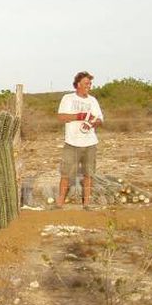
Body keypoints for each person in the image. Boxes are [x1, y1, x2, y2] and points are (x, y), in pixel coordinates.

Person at [55, 71, 104, 209]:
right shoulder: (68, 98)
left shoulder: (93, 100)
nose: (89, 85)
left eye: (90, 83)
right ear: (78, 85)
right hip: (72, 143)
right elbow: (61, 117)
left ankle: (87, 204)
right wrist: (79, 116)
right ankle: (59, 203)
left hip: (90, 143)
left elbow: (100, 119)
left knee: (89, 174)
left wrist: (94, 122)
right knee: (66, 174)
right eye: (86, 83)